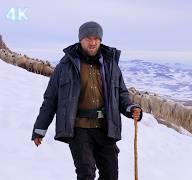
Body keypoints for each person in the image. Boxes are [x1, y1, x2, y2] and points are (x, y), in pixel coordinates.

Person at [31, 21, 142, 180]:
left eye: (96, 38)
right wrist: (39, 129)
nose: (92, 42)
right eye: (88, 38)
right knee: (86, 173)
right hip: (78, 128)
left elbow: (121, 94)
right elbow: (50, 100)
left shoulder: (110, 64)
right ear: (80, 39)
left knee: (111, 174)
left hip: (105, 127)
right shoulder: (65, 66)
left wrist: (131, 108)